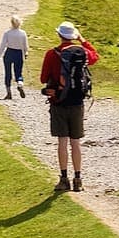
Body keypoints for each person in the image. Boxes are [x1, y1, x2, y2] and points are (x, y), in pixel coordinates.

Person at [40, 21, 98, 192]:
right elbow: (95, 55)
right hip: (77, 102)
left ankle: (64, 178)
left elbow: (43, 79)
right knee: (76, 142)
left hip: (59, 101)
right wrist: (83, 40)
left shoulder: (52, 54)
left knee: (62, 142)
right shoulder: (83, 53)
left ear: (59, 35)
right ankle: (78, 179)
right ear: (73, 36)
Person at [0, 15, 29, 99]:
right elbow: (25, 46)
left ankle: (9, 93)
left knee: (8, 73)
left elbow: (2, 46)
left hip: (9, 53)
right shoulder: (23, 33)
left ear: (11, 23)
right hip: (19, 54)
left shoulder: (7, 33)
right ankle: (20, 84)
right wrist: (26, 53)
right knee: (18, 72)